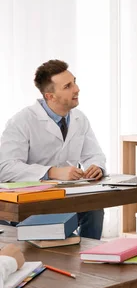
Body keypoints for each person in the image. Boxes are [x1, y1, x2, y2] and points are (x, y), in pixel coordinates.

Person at [0, 60, 105, 239]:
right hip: (33, 199)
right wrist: (52, 172)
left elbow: (93, 153)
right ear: (50, 96)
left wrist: (96, 166)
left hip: (67, 194)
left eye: (75, 82)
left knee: (94, 207)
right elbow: (5, 167)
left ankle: (89, 257)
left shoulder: (79, 118)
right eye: (68, 86)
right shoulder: (22, 121)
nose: (77, 89)